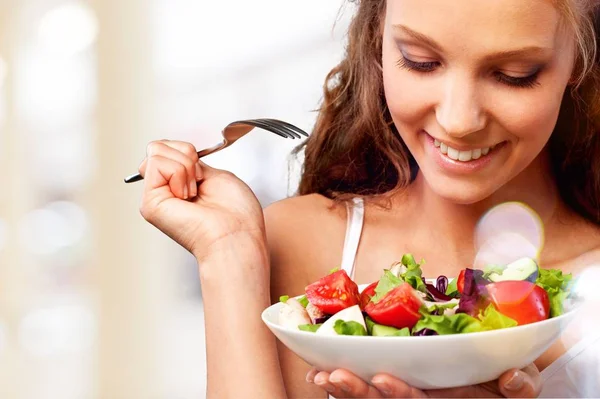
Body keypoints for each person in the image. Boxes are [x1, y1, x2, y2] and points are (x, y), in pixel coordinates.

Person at [136, 0, 600, 397]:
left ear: (578, 60)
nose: (459, 120)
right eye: (420, 61)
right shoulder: (294, 245)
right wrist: (227, 256)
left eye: (513, 75)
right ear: (377, 41)